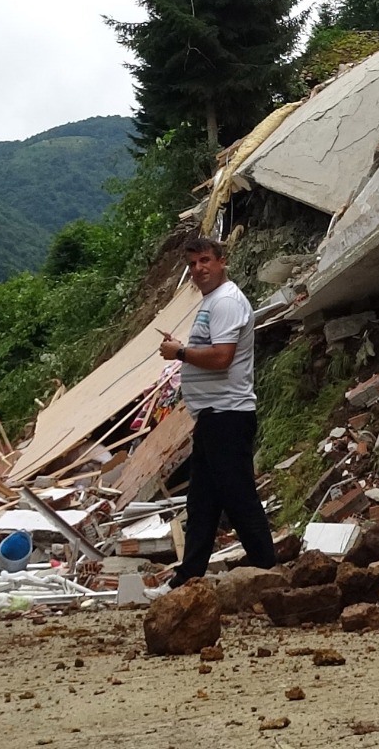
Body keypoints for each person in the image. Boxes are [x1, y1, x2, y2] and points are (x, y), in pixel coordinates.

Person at [156, 236, 275, 585]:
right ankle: (189, 573)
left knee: (238, 496)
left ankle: (266, 566)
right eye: (192, 264)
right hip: (212, 416)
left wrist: (179, 353)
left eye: (205, 261)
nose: (199, 269)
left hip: (228, 414)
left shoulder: (226, 302)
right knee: (202, 501)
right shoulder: (212, 302)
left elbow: (222, 358)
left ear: (222, 261)